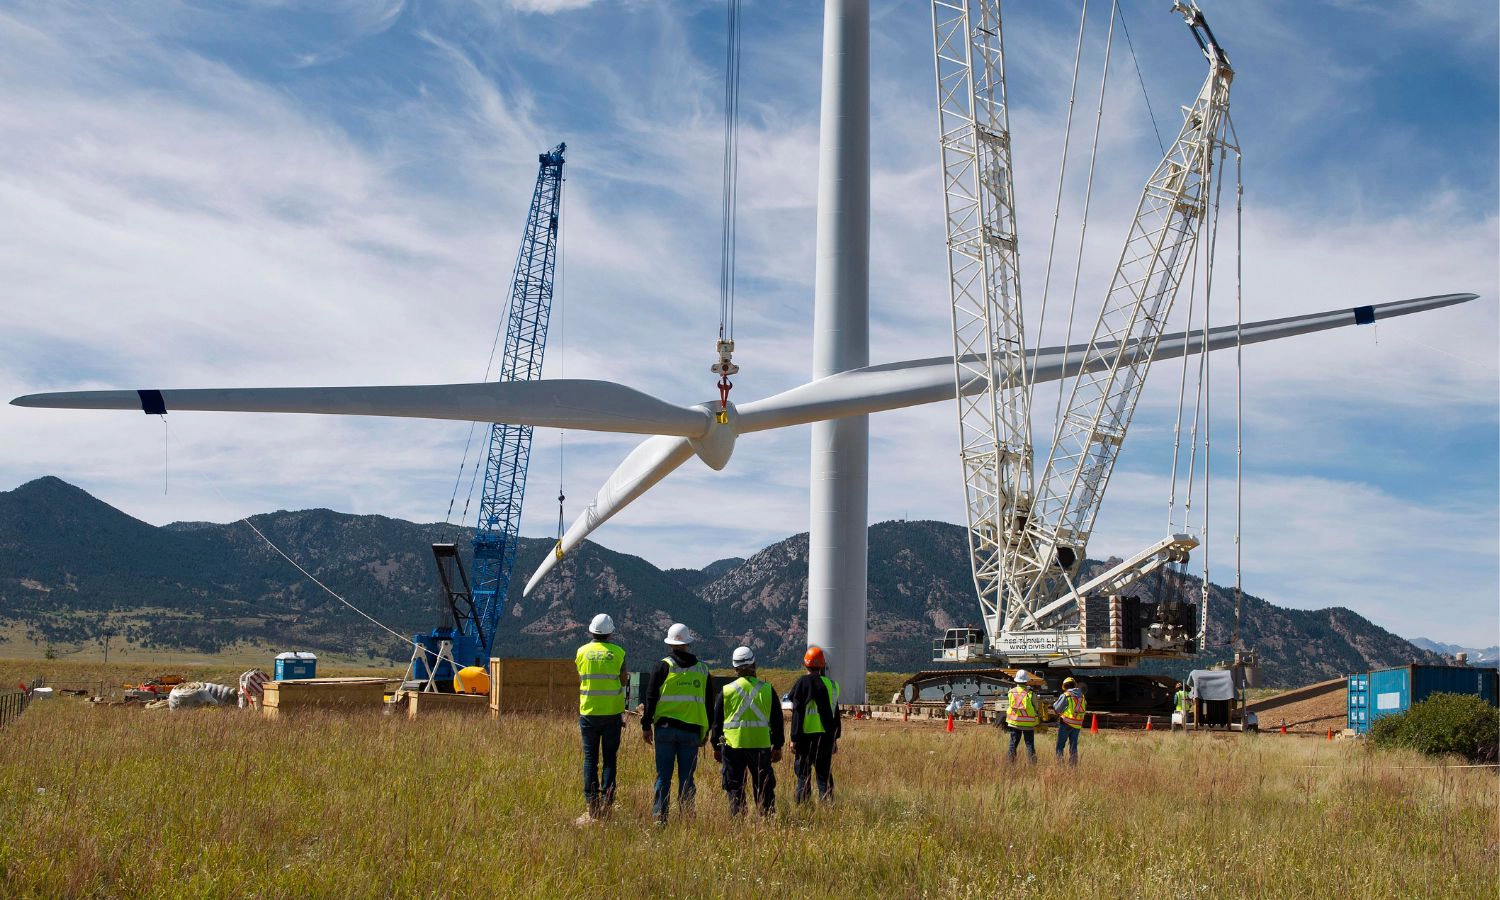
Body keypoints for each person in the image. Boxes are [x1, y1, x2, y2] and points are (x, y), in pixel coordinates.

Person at [641, 622, 711, 825]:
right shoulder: (703, 670)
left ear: (670, 643)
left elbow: (651, 697)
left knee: (663, 777)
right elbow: (708, 704)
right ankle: (687, 819)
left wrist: (646, 725)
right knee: (687, 778)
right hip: (691, 732)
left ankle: (659, 818)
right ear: (688, 642)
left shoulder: (662, 666)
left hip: (665, 730)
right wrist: (706, 731)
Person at [710, 646, 783, 817]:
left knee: (735, 786)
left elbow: (716, 723)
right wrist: (778, 745)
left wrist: (716, 746)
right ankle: (766, 819)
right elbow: (777, 720)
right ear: (754, 665)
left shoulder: (726, 691)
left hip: (732, 746)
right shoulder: (767, 689)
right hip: (760, 745)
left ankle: (738, 821)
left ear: (734, 668)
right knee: (763, 786)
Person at [574, 613, 627, 825]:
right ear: (610, 632)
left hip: (588, 712)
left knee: (590, 759)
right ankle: (608, 801)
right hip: (612, 713)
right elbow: (623, 680)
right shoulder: (618, 653)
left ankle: (592, 803)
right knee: (609, 759)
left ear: (591, 631)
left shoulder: (581, 652)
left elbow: (581, 676)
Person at [788, 645, 840, 804]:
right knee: (824, 775)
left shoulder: (801, 683)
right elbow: (835, 714)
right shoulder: (832, 685)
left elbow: (797, 713)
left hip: (804, 738)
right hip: (825, 738)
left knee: (803, 776)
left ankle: (803, 807)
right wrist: (835, 738)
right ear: (822, 665)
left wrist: (794, 738)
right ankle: (828, 808)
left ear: (806, 664)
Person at [1005, 669, 1039, 764]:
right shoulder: (1031, 693)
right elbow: (1036, 706)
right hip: (1028, 724)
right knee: (1030, 745)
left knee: (1013, 744)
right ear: (1026, 681)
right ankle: (1033, 765)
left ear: (1016, 680)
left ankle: (1010, 764)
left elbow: (1010, 704)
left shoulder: (1011, 692)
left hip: (1014, 722)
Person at [1052, 676, 1086, 765]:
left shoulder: (1066, 695)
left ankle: (1060, 765)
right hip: (1077, 724)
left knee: (1060, 746)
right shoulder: (1082, 696)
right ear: (1075, 685)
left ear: (1065, 686)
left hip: (1066, 723)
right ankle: (1073, 766)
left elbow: (1057, 709)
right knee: (1073, 747)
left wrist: (1055, 703)